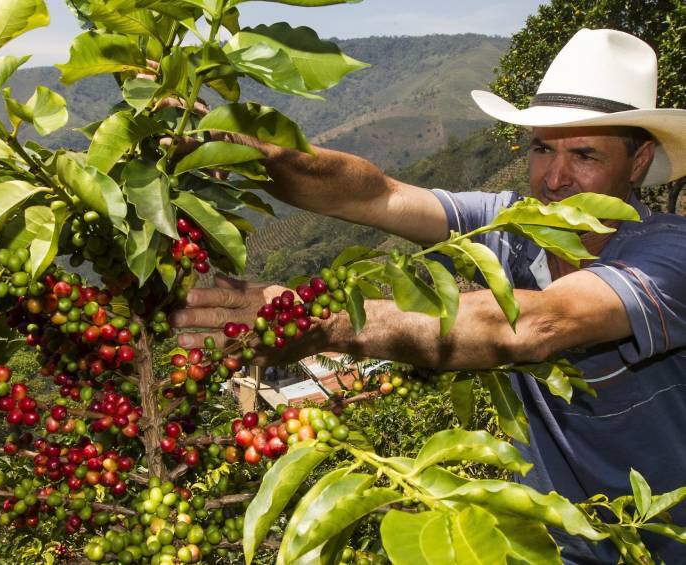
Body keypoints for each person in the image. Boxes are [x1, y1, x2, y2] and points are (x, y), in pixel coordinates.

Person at [171, 29, 686, 563]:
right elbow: (377, 195)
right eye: (540, 148)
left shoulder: (671, 253)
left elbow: (534, 325)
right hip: (552, 549)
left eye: (584, 154)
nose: (554, 178)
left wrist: (318, 322)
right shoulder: (516, 224)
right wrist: (248, 150)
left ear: (640, 160)